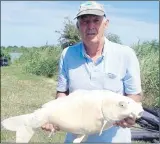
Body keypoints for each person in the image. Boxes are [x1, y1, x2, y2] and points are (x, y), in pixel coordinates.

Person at [42, 1, 142, 143]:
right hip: (76, 138)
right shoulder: (67, 54)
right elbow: (62, 93)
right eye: (85, 21)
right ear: (78, 26)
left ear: (106, 24)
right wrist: (52, 116)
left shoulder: (125, 54)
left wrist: (131, 116)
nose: (90, 26)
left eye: (96, 20)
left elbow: (134, 96)